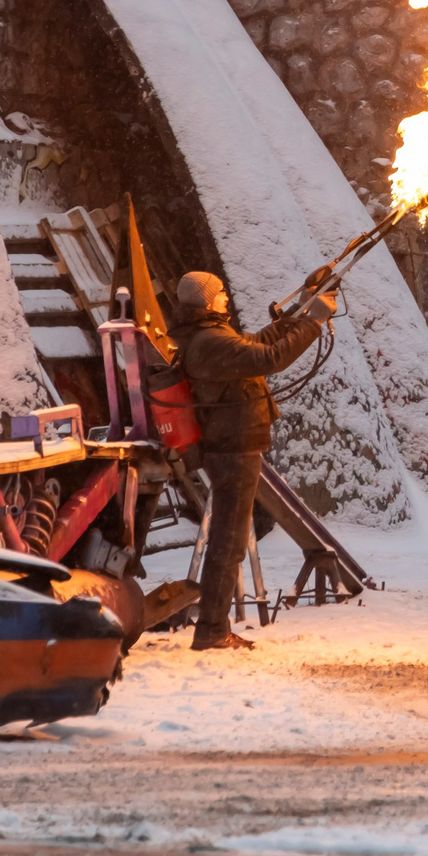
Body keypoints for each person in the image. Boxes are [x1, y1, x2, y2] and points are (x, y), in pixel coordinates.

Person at [171, 271, 333, 651]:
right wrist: (313, 323)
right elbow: (270, 357)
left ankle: (213, 627)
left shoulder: (210, 336)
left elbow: (257, 342)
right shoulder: (210, 341)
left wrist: (303, 307)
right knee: (228, 544)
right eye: (221, 293)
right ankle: (211, 630)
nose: (226, 297)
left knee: (229, 542)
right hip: (233, 448)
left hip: (234, 444)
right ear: (207, 301)